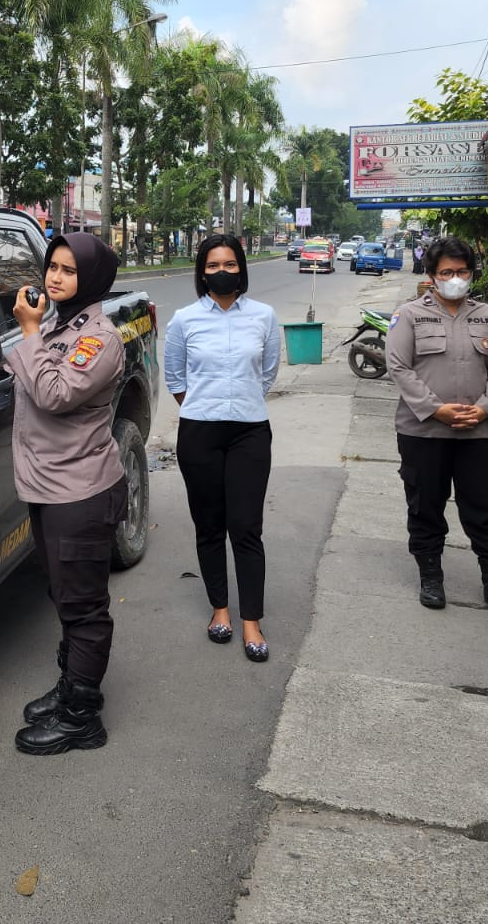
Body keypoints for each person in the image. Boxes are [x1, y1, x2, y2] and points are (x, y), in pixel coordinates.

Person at [7, 232, 128, 756]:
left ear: (92, 279)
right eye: (52, 267)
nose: (55, 277)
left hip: (79, 493)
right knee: (64, 595)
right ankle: (70, 689)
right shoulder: (59, 327)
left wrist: (29, 332)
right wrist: (35, 334)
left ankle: (82, 718)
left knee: (83, 607)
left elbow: (54, 394)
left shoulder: (99, 339)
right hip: (49, 488)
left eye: (69, 270)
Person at [384, 236, 488, 615]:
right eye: (446, 272)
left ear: (471, 273)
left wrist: (486, 409)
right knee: (425, 505)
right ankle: (431, 577)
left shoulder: (487, 317)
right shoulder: (409, 315)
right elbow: (399, 367)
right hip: (423, 432)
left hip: (479, 433)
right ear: (432, 275)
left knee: (485, 507)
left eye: (461, 271)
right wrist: (435, 409)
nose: (455, 278)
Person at [164, 233, 282, 663]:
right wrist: (206, 406)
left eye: (229, 264)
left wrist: (238, 402)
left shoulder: (264, 316)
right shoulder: (184, 319)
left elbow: (267, 373)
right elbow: (175, 377)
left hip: (250, 431)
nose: (221, 272)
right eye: (212, 265)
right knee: (210, 525)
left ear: (241, 269)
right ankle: (220, 610)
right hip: (200, 433)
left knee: (246, 526)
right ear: (202, 272)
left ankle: (252, 620)